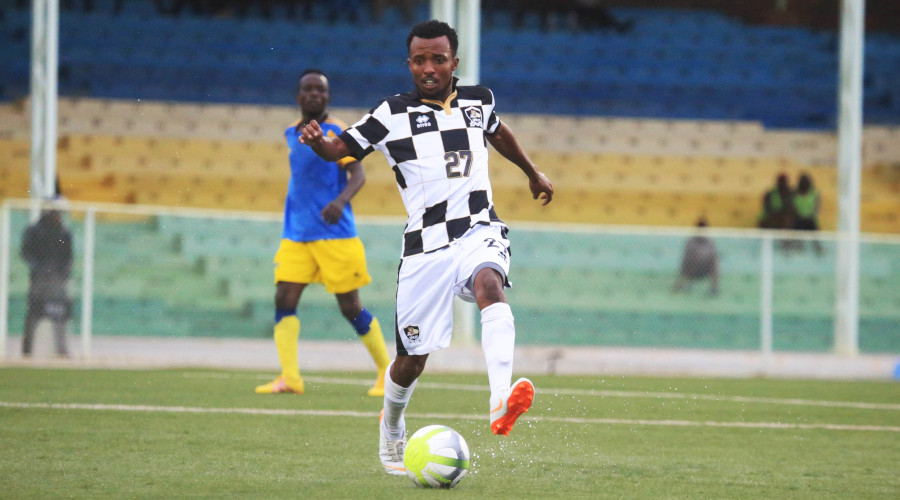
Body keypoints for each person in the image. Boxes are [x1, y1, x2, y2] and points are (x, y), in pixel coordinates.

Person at [298, 19, 554, 475]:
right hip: (425, 249)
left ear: (455, 62)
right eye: (420, 60)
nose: (429, 67)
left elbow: (497, 132)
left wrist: (531, 171)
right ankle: (391, 426)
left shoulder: (480, 100)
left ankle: (499, 402)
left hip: (479, 229)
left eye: (439, 58)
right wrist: (320, 143)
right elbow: (342, 150)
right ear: (410, 63)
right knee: (411, 361)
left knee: (490, 285)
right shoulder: (391, 113)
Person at [255, 69, 391, 397]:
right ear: (299, 97)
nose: (315, 94)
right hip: (296, 234)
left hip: (335, 234)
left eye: (321, 90)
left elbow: (358, 174)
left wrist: (339, 201)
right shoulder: (290, 132)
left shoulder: (338, 132)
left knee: (350, 307)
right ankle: (290, 378)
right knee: (284, 298)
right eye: (308, 89)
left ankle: (387, 372)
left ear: (328, 98)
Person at [21, 206, 73, 358]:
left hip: (57, 279)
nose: (58, 217)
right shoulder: (34, 231)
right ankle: (27, 350)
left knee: (59, 314)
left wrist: (62, 273)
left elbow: (68, 256)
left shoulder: (64, 232)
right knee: (34, 312)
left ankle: (61, 350)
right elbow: (26, 252)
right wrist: (39, 269)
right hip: (39, 279)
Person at [672, 215, 719, 296]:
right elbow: (687, 258)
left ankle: (714, 288)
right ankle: (686, 284)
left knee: (714, 263)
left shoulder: (710, 242)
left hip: (704, 269)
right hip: (690, 269)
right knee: (694, 259)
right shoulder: (691, 241)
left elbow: (713, 255)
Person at [792, 172, 824, 255]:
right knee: (795, 232)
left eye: (806, 182)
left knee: (814, 232)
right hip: (798, 220)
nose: (804, 184)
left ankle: (818, 250)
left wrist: (810, 215)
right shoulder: (794, 193)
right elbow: (792, 208)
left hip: (810, 220)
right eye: (802, 182)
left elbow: (817, 208)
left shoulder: (814, 193)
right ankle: (796, 248)